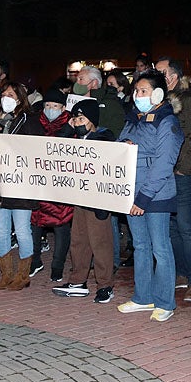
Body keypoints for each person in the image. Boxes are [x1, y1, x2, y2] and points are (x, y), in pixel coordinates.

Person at [116, 69, 183, 322]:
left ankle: (165, 302)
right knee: (141, 246)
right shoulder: (133, 118)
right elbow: (121, 146)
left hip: (155, 194)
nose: (137, 95)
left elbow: (164, 163)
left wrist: (143, 198)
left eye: (143, 91)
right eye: (136, 91)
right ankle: (143, 297)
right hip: (131, 192)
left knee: (160, 248)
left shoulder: (167, 122)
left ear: (157, 93)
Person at [0, 81, 44, 290]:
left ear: (20, 98)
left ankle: (23, 275)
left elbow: (37, 151)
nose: (6, 97)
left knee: (22, 230)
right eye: (4, 93)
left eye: (11, 94)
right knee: (1, 230)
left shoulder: (30, 121)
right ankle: (7, 274)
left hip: (20, 184)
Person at [52, 100, 118, 303]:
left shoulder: (104, 137)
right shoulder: (75, 137)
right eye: (75, 118)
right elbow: (55, 147)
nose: (77, 122)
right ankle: (78, 280)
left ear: (92, 121)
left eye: (81, 118)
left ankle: (105, 285)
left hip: (97, 201)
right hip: (79, 199)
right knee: (79, 241)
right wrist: (67, 127)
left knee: (101, 243)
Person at [155, 56, 191, 303]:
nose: (156, 77)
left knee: (186, 227)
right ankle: (181, 273)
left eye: (160, 73)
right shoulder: (161, 102)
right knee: (171, 227)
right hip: (166, 174)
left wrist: (184, 169)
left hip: (183, 174)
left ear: (173, 77)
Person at [29, 88, 74, 281]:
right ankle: (34, 260)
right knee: (35, 223)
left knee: (61, 225)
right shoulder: (34, 123)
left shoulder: (71, 125)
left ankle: (57, 265)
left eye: (55, 106)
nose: (50, 109)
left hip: (59, 185)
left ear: (63, 108)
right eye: (47, 105)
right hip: (38, 184)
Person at [72, 66, 125, 138]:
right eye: (76, 79)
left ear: (94, 83)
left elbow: (115, 133)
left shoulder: (109, 104)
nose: (77, 83)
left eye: (81, 79)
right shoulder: (72, 102)